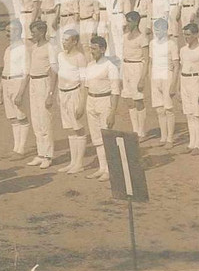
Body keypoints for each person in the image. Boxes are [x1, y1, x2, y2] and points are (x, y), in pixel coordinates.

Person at [82, 35, 120, 180]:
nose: (92, 51)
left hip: (105, 101)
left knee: (106, 137)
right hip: (91, 101)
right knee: (96, 137)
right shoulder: (90, 65)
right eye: (91, 48)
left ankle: (109, 170)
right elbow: (86, 86)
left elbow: (116, 91)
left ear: (103, 50)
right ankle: (102, 168)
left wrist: (112, 113)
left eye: (95, 49)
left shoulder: (110, 66)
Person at [0, 20, 31, 161]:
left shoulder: (24, 49)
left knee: (21, 116)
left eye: (9, 31)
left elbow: (27, 72)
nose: (7, 34)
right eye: (6, 31)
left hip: (18, 82)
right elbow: (4, 69)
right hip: (6, 82)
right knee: (12, 117)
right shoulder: (8, 49)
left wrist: (20, 92)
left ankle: (21, 149)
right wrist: (0, 89)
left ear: (18, 31)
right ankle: (15, 148)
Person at [26, 21, 56, 169]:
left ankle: (48, 155)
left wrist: (50, 93)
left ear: (42, 32)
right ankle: (40, 153)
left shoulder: (50, 47)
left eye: (35, 32)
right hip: (33, 82)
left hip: (44, 83)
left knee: (45, 120)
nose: (32, 35)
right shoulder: (34, 47)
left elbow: (53, 71)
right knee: (36, 120)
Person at [57, 29, 88, 174]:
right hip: (62, 93)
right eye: (62, 40)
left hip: (75, 93)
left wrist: (82, 103)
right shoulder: (60, 56)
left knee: (78, 127)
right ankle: (73, 162)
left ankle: (79, 163)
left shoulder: (80, 57)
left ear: (74, 42)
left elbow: (83, 80)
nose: (64, 43)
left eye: (67, 40)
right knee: (70, 128)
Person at [179, 23, 199, 154]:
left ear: (196, 34)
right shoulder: (183, 50)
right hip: (184, 81)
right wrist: (179, 89)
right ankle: (191, 144)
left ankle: (198, 145)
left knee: (197, 115)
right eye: (185, 35)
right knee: (189, 114)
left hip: (196, 81)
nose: (186, 37)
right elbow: (181, 68)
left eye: (189, 35)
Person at [149, 17, 179, 148]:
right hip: (155, 76)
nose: (157, 32)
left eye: (160, 29)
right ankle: (163, 136)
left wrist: (173, 84)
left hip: (168, 75)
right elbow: (150, 62)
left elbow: (177, 65)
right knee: (159, 109)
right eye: (155, 29)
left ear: (166, 30)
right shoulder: (152, 43)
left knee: (168, 109)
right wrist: (151, 77)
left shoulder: (172, 44)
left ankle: (170, 139)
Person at [120, 11, 150, 142]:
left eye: (130, 21)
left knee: (138, 100)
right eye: (127, 21)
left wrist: (142, 78)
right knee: (128, 100)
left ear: (136, 22)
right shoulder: (125, 36)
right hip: (126, 67)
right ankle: (135, 129)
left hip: (137, 68)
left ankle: (141, 131)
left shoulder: (142, 38)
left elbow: (146, 60)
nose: (127, 23)